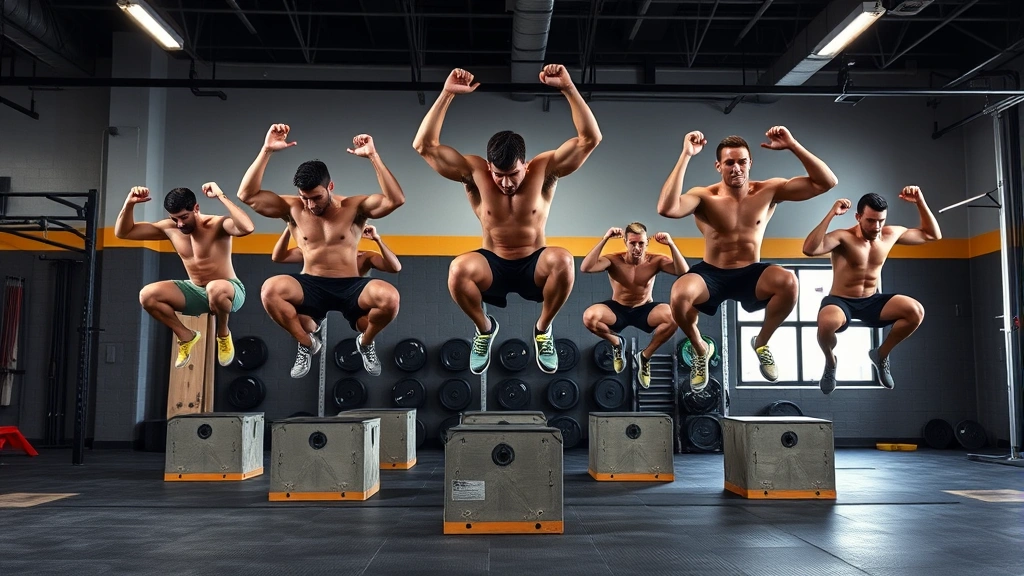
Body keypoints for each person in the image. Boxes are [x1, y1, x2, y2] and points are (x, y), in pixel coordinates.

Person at [412, 65, 602, 375]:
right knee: (458, 269)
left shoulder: (544, 169)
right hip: (493, 263)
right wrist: (447, 93)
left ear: (525, 165)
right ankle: (484, 328)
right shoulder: (474, 172)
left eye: (512, 174)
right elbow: (424, 146)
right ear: (489, 167)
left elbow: (589, 139)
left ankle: (543, 329)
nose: (505, 183)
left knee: (564, 261)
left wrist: (568, 88)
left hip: (534, 262)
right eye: (498, 175)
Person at [657, 128, 839, 392]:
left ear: (750, 163)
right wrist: (686, 154)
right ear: (718, 165)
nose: (736, 168)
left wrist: (792, 145)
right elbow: (667, 208)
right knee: (679, 294)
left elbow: (827, 182)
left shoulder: (769, 190)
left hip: (752, 273)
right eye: (729, 162)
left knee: (789, 281)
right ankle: (700, 348)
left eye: (742, 161)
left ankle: (762, 342)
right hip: (712, 273)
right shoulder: (704, 196)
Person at [237, 124, 405, 379]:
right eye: (305, 197)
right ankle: (306, 343)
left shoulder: (354, 207)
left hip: (351, 286)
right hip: (311, 284)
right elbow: (246, 195)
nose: (310, 204)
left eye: (316, 197)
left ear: (330, 187)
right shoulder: (292, 208)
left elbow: (395, 200)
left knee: (390, 298)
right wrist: (267, 150)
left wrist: (373, 156)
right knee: (270, 290)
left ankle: (365, 343)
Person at [802, 188, 940, 394]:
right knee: (826, 323)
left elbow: (932, 235)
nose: (876, 226)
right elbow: (809, 249)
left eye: (881, 220)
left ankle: (881, 355)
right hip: (842, 301)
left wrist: (920, 201)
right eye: (870, 220)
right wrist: (831, 214)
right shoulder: (843, 237)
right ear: (858, 217)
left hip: (871, 300)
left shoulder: (890, 234)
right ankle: (830, 362)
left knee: (915, 311)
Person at [114, 183, 254, 368]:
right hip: (196, 290)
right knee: (147, 295)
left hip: (228, 290)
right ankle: (185, 335)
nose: (179, 224)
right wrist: (129, 203)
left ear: (196, 208)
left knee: (215, 288)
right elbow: (123, 233)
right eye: (174, 218)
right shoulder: (170, 228)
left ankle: (223, 333)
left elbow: (247, 227)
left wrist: (221, 196)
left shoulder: (216, 224)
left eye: (183, 217)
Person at [271, 223, 402, 375]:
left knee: (368, 323)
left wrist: (377, 239)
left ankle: (365, 343)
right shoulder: (314, 252)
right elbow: (278, 257)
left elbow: (395, 267)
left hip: (353, 300)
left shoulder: (364, 256)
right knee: (301, 322)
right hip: (317, 297)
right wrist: (289, 227)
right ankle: (307, 343)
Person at [580, 222, 688, 388]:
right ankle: (617, 342)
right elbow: (585, 267)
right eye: (632, 243)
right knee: (590, 317)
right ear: (625, 242)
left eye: (641, 243)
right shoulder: (614, 260)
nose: (637, 248)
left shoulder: (655, 260)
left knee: (674, 317)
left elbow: (683, 271)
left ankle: (645, 356)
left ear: (647, 243)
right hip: (618, 309)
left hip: (644, 309)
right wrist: (605, 238)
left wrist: (671, 244)